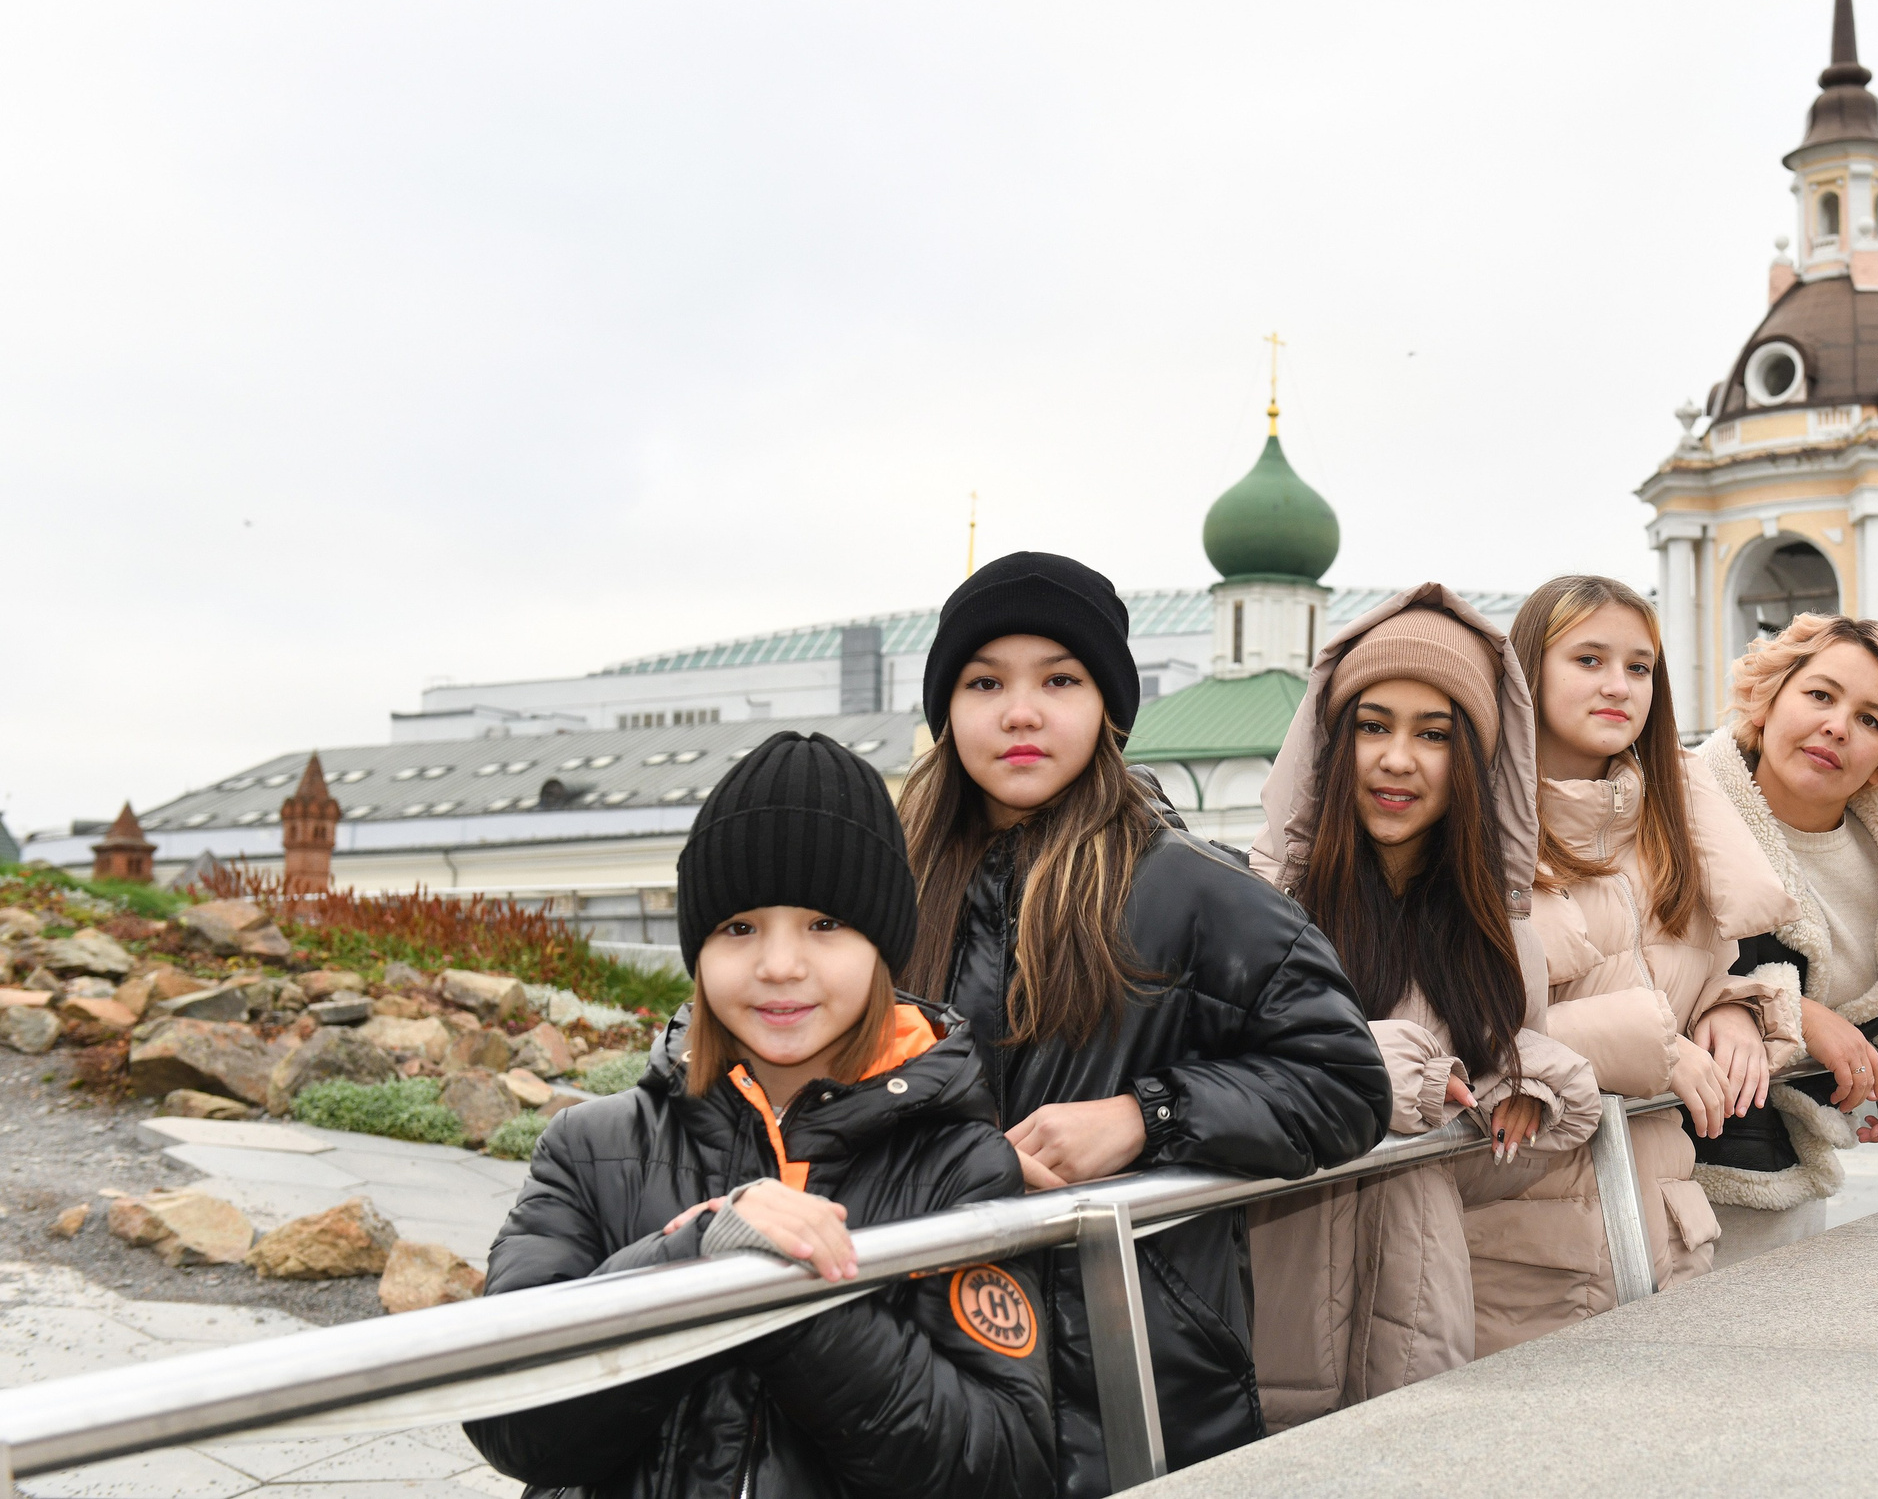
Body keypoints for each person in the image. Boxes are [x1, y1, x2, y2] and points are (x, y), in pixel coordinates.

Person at [897, 550, 1390, 1495]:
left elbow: (1344, 1083)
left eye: (1061, 679)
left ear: (1109, 709)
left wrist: (1149, 1114)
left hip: (1132, 1368)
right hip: (923, 1363)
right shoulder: (888, 896)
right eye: (984, 681)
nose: (1021, 711)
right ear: (947, 707)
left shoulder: (1190, 891)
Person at [464, 731, 1054, 1499]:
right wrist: (696, 1257)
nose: (779, 965)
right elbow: (512, 1419)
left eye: (824, 924)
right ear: (698, 950)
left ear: (885, 946)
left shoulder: (961, 1167)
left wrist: (790, 1292)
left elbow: (1002, 1467)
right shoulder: (590, 1148)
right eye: (739, 928)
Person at [1244, 587, 1601, 1426]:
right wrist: (1389, 1074)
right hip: (1270, 1298)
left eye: (1433, 735)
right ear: (1332, 745)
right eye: (1373, 726)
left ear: (1472, 762)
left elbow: (1470, 1172)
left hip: (1422, 1314)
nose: (1397, 759)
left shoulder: (1498, 938)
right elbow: (1231, 1088)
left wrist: (1520, 1089)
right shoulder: (1259, 907)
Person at [1463, 575, 1800, 1352]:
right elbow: (1454, 1035)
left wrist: (1731, 1011)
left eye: (1640, 667)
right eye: (1588, 659)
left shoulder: (1670, 829)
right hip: (1518, 1251)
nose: (1619, 686)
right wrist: (1655, 1045)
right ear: (1527, 670)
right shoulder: (1472, 828)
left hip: (1665, 1238)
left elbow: (1690, 982)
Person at [1691, 613, 1878, 1263]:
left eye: (1871, 719)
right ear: (1770, 696)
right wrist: (1791, 1013)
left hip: (1795, 1180)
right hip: (1682, 1157)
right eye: (1820, 695)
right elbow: (1645, 959)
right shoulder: (1683, 808)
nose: (1838, 726)